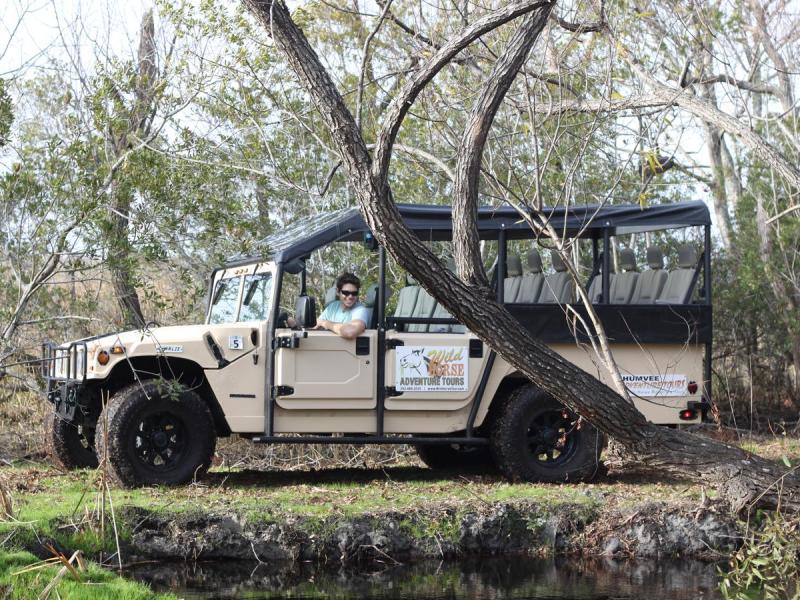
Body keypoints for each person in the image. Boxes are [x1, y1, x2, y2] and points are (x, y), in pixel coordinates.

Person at [316, 272, 368, 339]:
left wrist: (324, 323)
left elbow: (350, 332)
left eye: (354, 293)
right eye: (346, 293)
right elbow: (317, 324)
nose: (350, 296)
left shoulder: (360, 310)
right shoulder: (332, 307)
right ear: (338, 292)